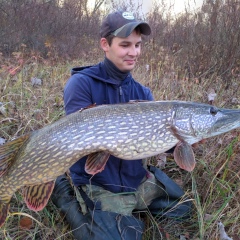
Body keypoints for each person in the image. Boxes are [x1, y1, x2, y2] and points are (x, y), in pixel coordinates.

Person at [51, 11, 191, 240]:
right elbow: (76, 139)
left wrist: (182, 139)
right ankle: (65, 194)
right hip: (98, 183)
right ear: (105, 44)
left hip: (135, 180)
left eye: (137, 45)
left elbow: (155, 139)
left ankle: (130, 205)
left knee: (183, 209)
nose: (134, 52)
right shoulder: (81, 84)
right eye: (125, 45)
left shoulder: (142, 92)